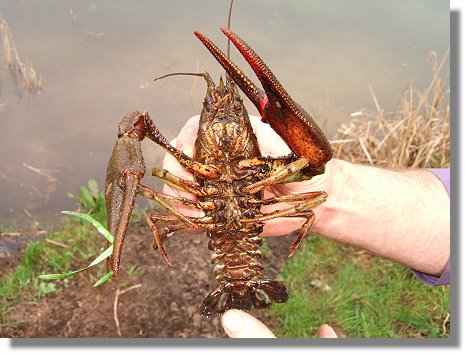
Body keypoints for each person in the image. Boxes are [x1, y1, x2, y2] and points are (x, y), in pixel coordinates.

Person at [161, 115, 450, 338]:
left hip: (239, 227)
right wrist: (333, 189)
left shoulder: (259, 167)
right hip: (234, 234)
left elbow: (313, 175)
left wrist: (324, 190)